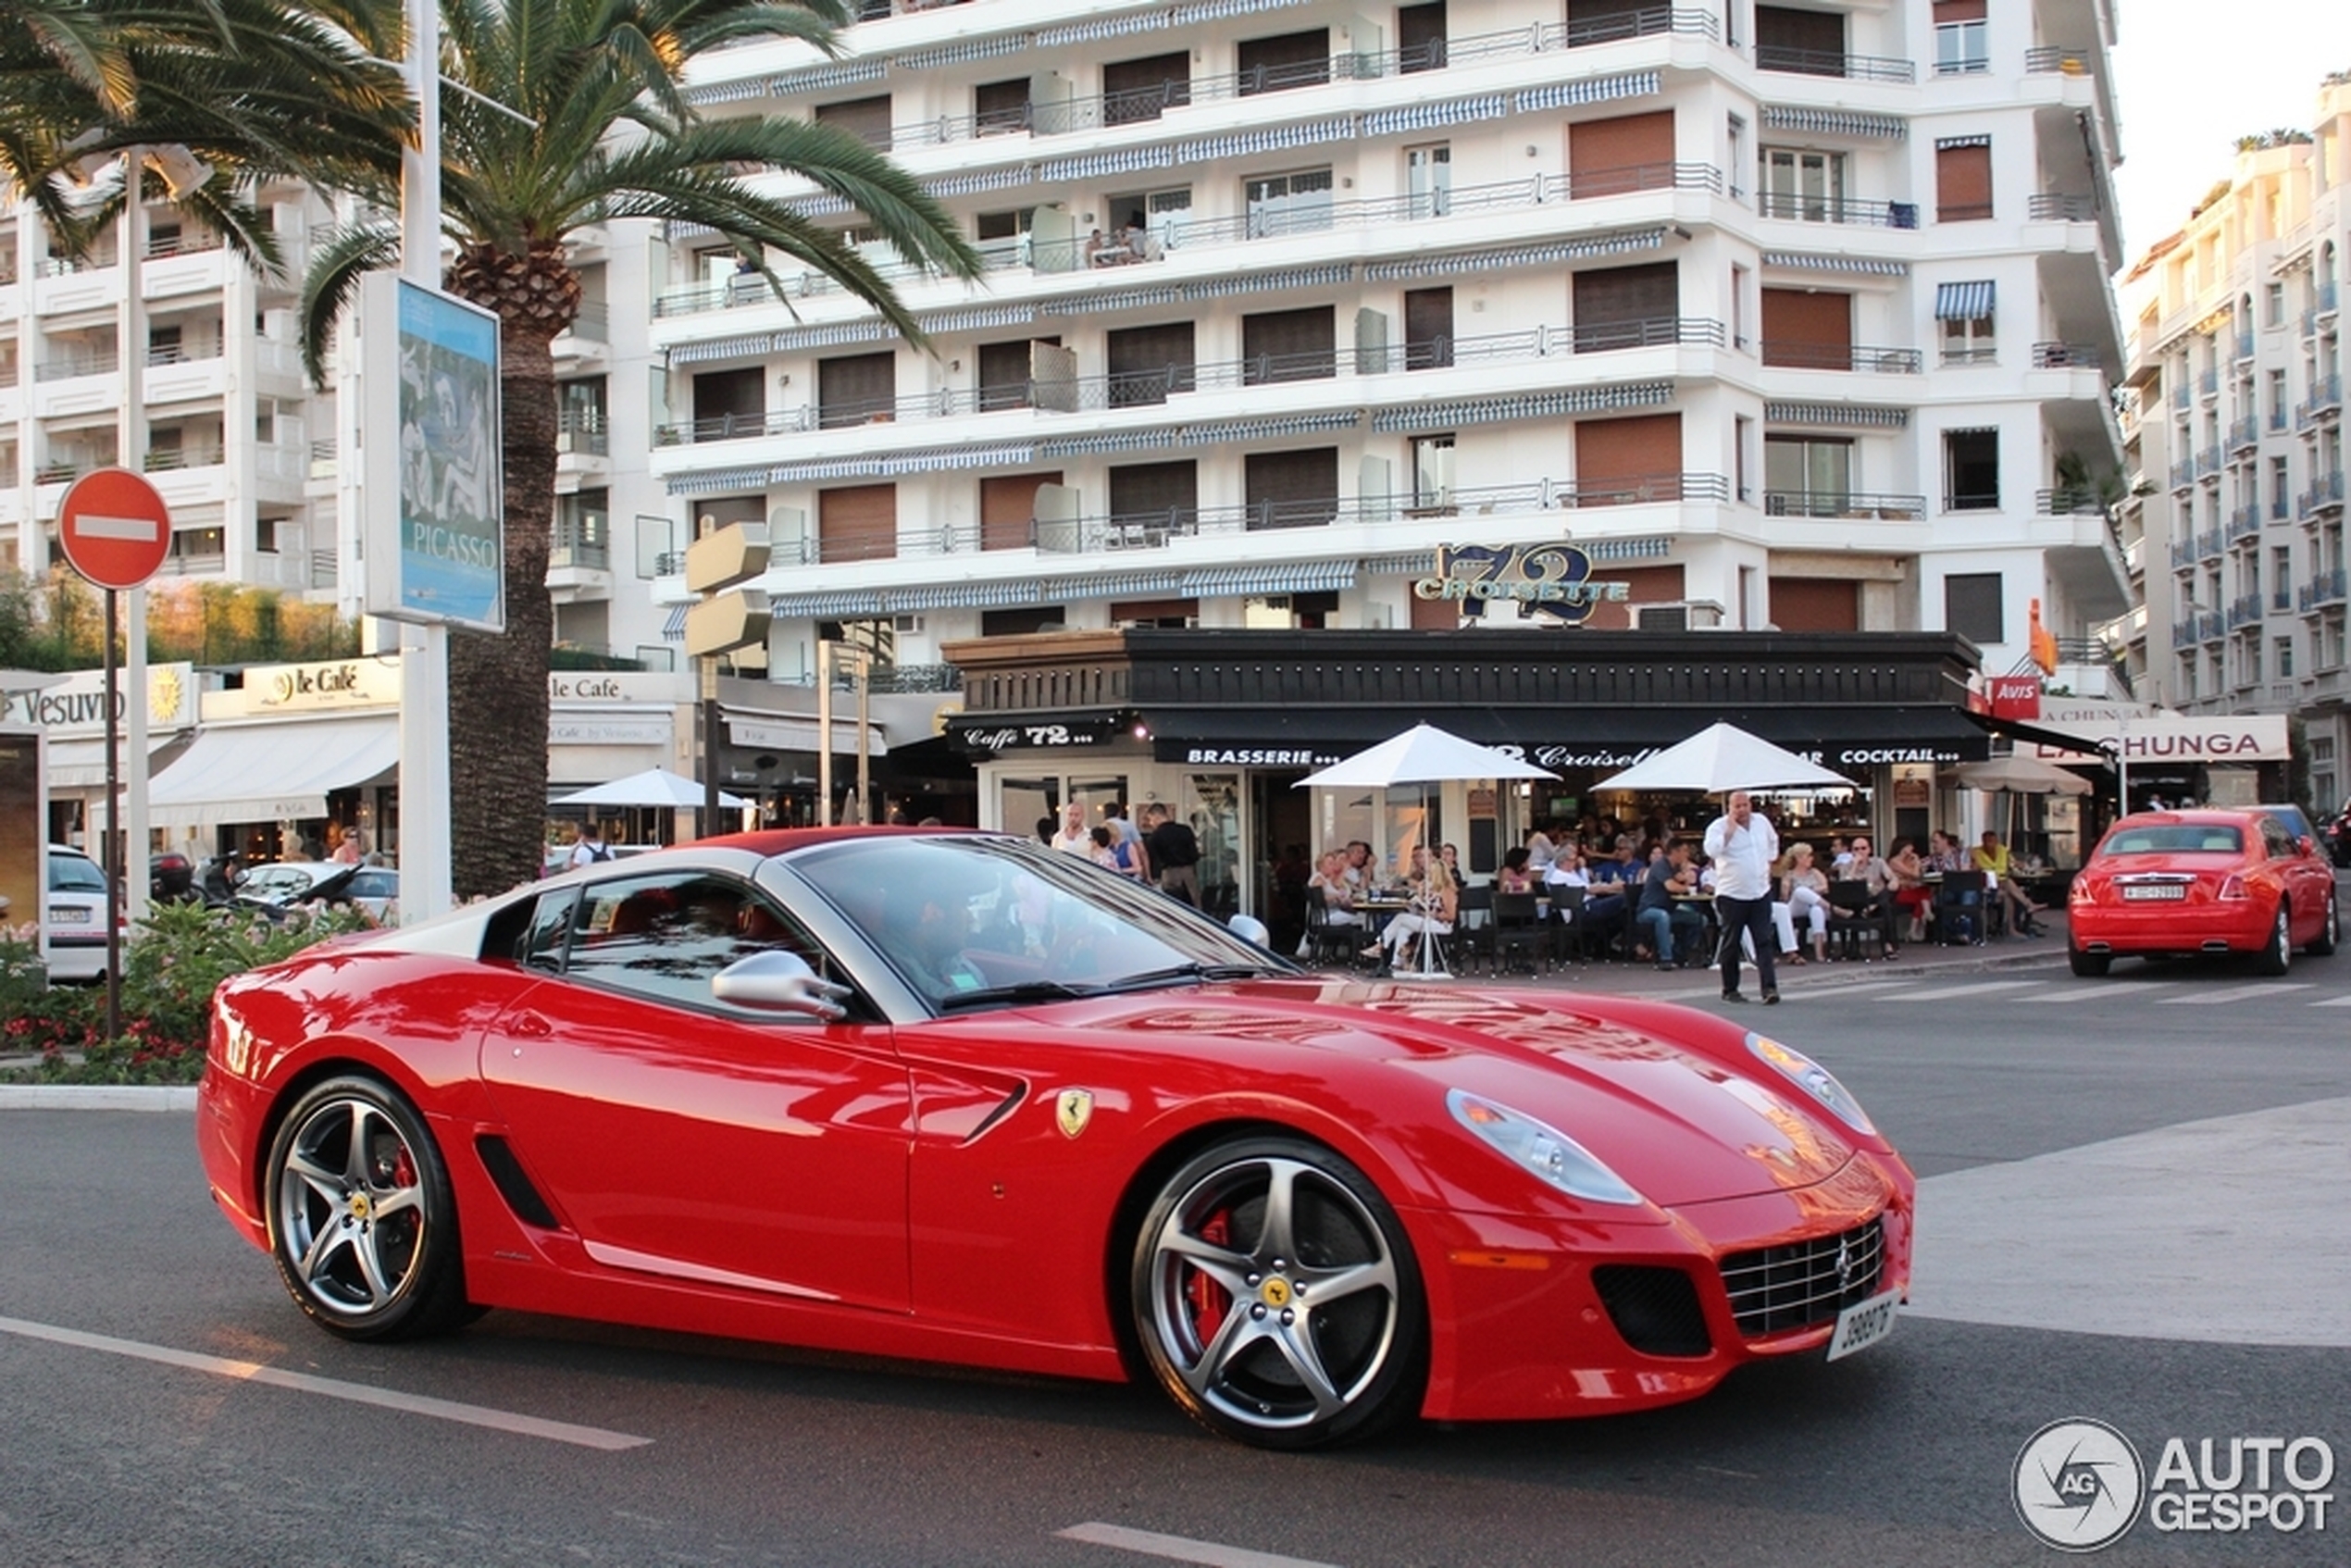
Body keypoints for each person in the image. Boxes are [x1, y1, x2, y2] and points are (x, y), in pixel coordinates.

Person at [1703, 790, 1781, 1002]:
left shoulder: (1761, 822)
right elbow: (1711, 850)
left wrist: (1769, 860)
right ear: (1730, 807)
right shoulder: (1718, 827)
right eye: (1737, 806)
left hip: (1760, 891)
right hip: (1732, 894)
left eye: (1745, 805)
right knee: (1731, 941)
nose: (1742, 810)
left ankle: (1769, 988)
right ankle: (1730, 989)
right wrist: (1728, 832)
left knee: (1763, 940)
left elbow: (1773, 841)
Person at [1368, 857, 1457, 973]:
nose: (1428, 875)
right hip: (1427, 920)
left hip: (1442, 925)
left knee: (1401, 918)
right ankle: (1396, 963)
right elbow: (1423, 908)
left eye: (1431, 873)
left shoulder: (1447, 890)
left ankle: (1381, 944)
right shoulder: (1431, 889)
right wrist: (1419, 896)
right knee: (1403, 928)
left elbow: (1451, 915)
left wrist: (1433, 914)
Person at [1972, 830, 2046, 936]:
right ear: (1983, 842)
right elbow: (1974, 869)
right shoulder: (1976, 853)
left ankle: (2011, 929)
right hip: (1986, 885)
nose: (1990, 844)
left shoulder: (2003, 850)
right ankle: (2028, 905)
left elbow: (2013, 863)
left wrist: (2021, 865)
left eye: (1992, 841)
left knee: (2008, 895)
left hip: (2001, 884)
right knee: (2008, 883)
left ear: (1996, 841)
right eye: (1987, 841)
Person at [1780, 842, 1831, 964]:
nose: (1811, 858)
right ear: (1799, 858)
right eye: (1808, 856)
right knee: (1799, 891)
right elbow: (1785, 896)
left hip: (1813, 905)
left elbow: (1825, 887)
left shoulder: (1814, 872)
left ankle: (1819, 953)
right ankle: (1832, 908)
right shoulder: (1789, 875)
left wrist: (1810, 892)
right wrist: (1787, 888)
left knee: (1817, 910)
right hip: (1795, 906)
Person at [1146, 803, 1202, 905]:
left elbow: (1154, 859)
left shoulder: (1155, 836)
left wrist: (1153, 876)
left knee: (1172, 903)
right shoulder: (1185, 830)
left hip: (1169, 872)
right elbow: (1194, 853)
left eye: (1151, 819)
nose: (1151, 823)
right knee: (1194, 901)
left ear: (1156, 816)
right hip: (1188, 871)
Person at [1885, 839, 1933, 941]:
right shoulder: (1894, 861)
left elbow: (1917, 876)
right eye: (1910, 846)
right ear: (1903, 848)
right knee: (1923, 895)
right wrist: (1917, 863)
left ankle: (1913, 930)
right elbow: (1915, 875)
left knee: (1923, 895)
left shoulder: (1907, 860)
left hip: (1908, 890)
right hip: (1897, 893)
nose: (1912, 849)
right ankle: (1926, 914)